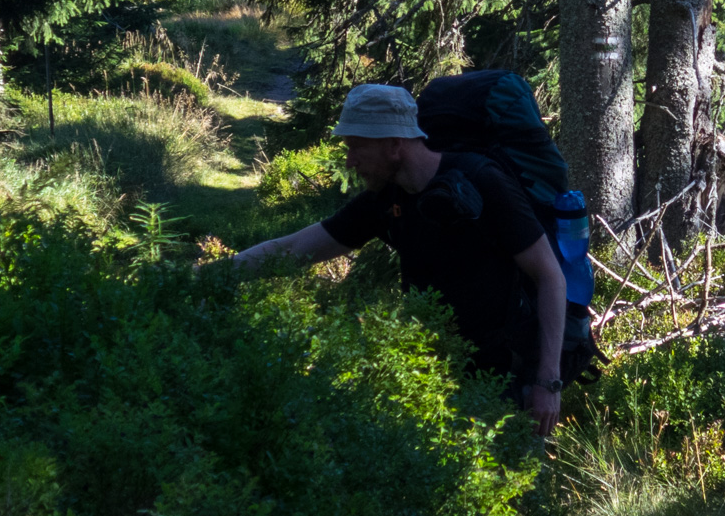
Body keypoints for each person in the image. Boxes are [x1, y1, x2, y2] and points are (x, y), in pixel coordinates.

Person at [231, 84, 565, 435]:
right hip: (433, 375)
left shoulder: (482, 181)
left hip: (506, 380)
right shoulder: (384, 199)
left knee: (509, 483)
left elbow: (549, 276)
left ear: (394, 145)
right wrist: (206, 274)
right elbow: (294, 248)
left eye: (357, 147)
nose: (349, 161)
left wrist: (547, 381)